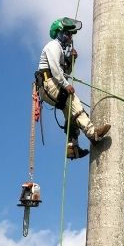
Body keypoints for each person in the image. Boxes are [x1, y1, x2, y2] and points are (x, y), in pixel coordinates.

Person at [35, 17, 111, 160]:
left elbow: (65, 73)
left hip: (50, 85)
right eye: (66, 33)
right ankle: (92, 133)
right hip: (48, 83)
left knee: (70, 112)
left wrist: (71, 61)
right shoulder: (53, 46)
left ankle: (72, 147)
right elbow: (56, 71)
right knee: (73, 101)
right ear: (59, 33)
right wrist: (66, 85)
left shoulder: (62, 52)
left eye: (70, 34)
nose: (69, 37)